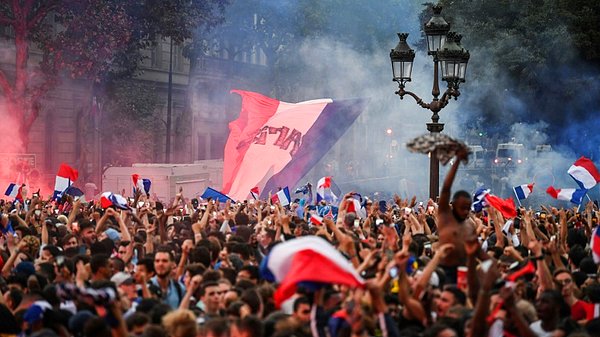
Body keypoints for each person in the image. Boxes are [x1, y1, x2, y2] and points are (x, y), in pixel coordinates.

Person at [437, 149, 476, 284]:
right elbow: (446, 188)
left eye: (468, 208)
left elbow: (477, 253)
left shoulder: (470, 226)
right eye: (462, 208)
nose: (466, 212)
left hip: (464, 272)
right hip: (443, 271)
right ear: (453, 205)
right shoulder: (445, 218)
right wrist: (457, 161)